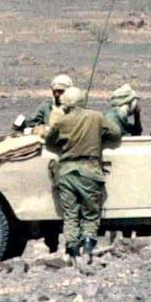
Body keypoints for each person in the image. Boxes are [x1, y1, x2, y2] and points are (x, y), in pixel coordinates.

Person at [44, 86, 122, 264]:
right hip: (90, 171)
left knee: (70, 215)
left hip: (66, 172)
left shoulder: (61, 122)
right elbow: (116, 132)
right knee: (90, 214)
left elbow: (49, 141)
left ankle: (73, 252)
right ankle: (88, 249)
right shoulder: (96, 117)